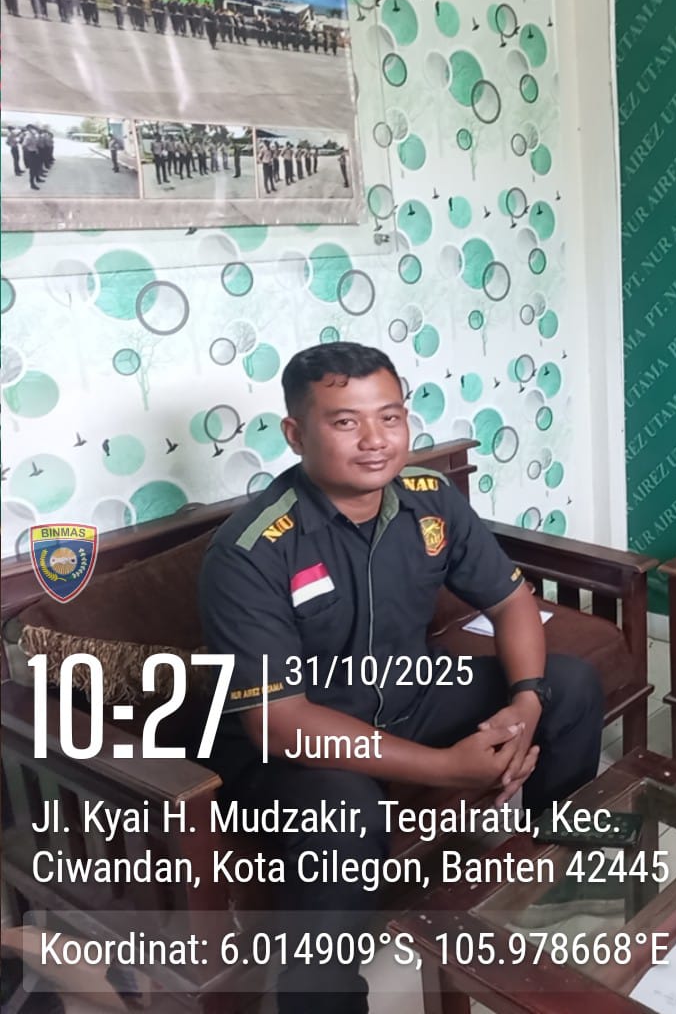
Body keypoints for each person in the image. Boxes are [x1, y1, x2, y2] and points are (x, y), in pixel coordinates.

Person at [200, 343, 603, 1014]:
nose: (375, 440)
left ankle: (550, 883)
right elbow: (278, 721)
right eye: (345, 421)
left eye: (389, 417)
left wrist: (527, 703)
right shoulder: (250, 551)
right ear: (296, 434)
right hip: (299, 743)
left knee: (571, 684)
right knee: (339, 814)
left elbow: (511, 603)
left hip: (408, 694)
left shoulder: (429, 499)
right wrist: (449, 769)